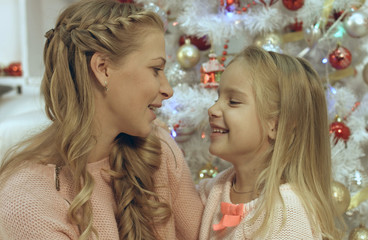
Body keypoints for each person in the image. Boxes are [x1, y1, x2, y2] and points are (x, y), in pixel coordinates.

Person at [0, 0, 203, 239]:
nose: (168, 90)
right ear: (103, 68)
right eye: (156, 70)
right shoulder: (27, 199)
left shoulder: (159, 150)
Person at [198, 46, 344, 239]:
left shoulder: (288, 215)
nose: (213, 109)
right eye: (218, 98)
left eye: (233, 101)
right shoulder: (215, 190)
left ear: (275, 125)